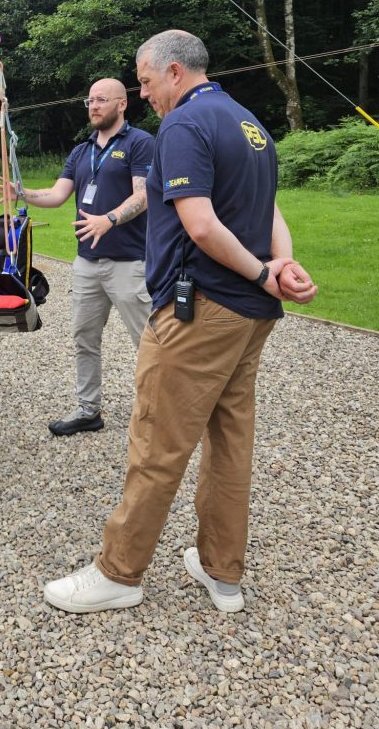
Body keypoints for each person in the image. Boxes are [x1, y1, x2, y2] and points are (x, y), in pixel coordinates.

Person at [43, 30, 318, 614]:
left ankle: (119, 572)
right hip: (250, 317)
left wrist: (267, 273)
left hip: (203, 310)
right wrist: (281, 264)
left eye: (144, 82)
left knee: (156, 440)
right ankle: (222, 572)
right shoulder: (249, 123)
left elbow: (200, 225)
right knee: (229, 440)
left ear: (173, 71)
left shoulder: (185, 126)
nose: (144, 95)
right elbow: (268, 209)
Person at [0, 78, 154, 436]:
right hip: (86, 264)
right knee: (84, 338)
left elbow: (143, 196)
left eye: (101, 100)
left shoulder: (140, 143)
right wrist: (20, 191)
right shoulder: (81, 151)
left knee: (148, 342)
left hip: (128, 262)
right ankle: (87, 410)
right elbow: (56, 194)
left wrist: (109, 219)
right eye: (90, 100)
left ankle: (161, 414)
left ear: (122, 104)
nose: (94, 106)